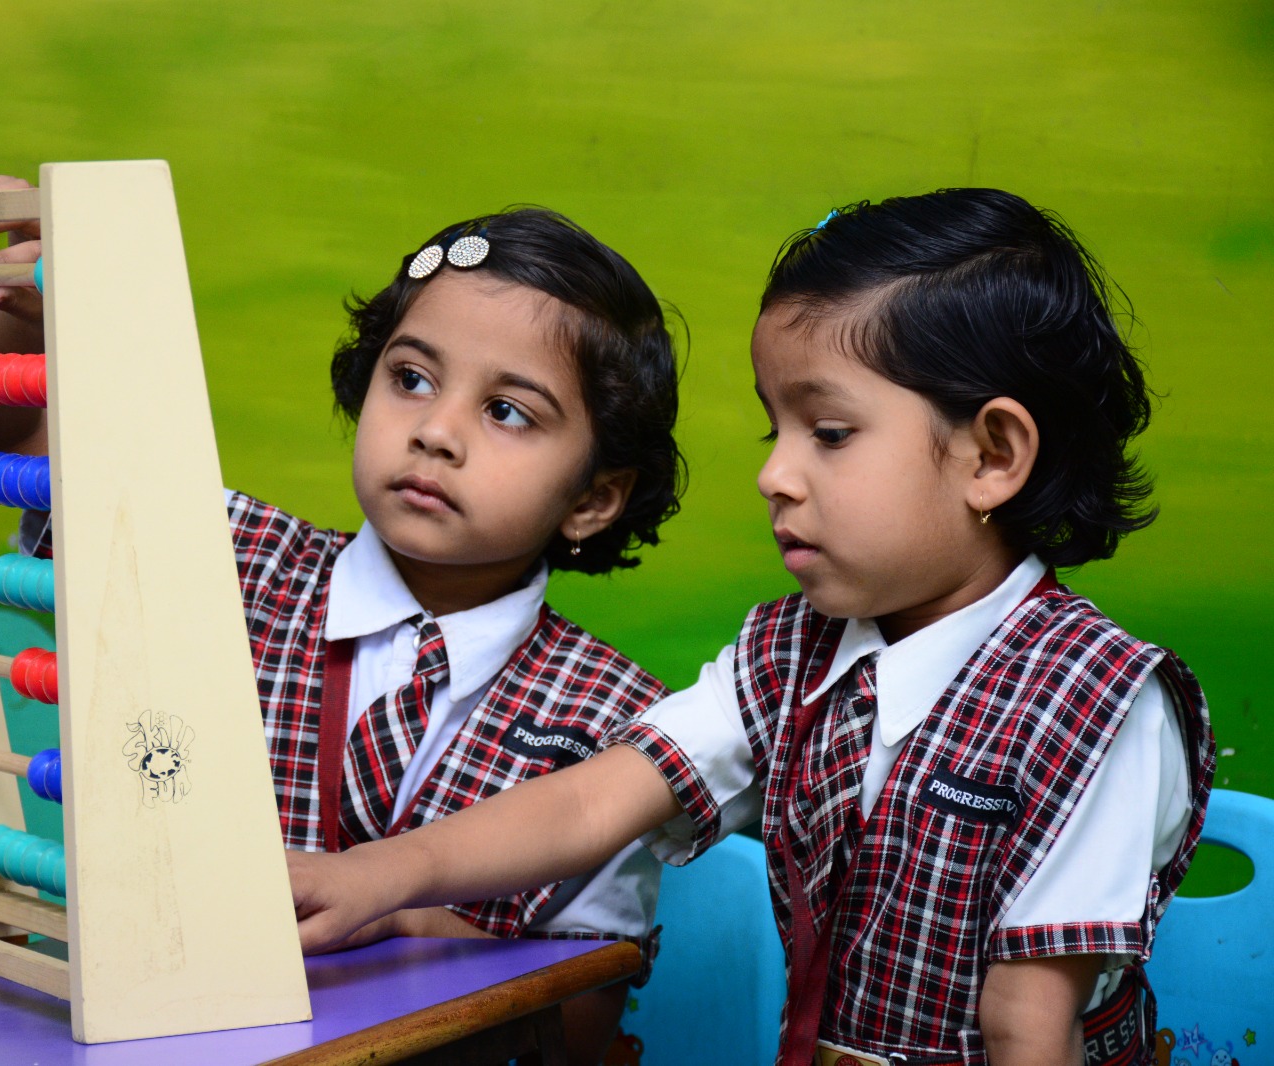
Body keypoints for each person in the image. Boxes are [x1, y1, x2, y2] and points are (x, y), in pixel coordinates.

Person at [287, 188, 1215, 1066]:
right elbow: (590, 801)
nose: (776, 474)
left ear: (993, 456)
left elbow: (1028, 1023)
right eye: (776, 429)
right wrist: (383, 877)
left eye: (830, 433)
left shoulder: (1103, 701)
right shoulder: (786, 654)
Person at [0, 178, 687, 1065]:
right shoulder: (225, 555)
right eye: (411, 378)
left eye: (506, 411)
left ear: (596, 498)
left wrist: (409, 916)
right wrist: (34, 317)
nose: (437, 431)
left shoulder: (622, 727)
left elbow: (580, 1019)